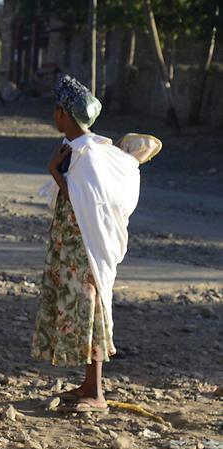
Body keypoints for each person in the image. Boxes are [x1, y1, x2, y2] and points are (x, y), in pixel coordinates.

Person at [31, 75, 142, 413]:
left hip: (85, 250)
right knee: (84, 312)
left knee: (90, 312)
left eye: (57, 110)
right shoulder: (84, 149)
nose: (55, 115)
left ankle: (96, 394)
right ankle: (89, 385)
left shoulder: (89, 154)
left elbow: (85, 203)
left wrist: (54, 172)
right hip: (75, 248)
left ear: (64, 113)